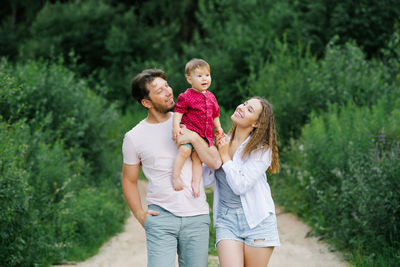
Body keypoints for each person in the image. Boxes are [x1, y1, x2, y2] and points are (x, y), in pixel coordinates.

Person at [121, 69, 221, 267]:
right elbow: (129, 180)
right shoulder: (134, 137)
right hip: (161, 218)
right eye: (159, 90)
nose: (168, 91)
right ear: (146, 102)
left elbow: (215, 162)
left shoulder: (191, 120)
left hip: (196, 217)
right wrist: (141, 215)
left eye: (167, 85)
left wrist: (193, 137)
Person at [204, 97, 281, 267]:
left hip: (257, 220)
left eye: (249, 110)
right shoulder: (222, 141)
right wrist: (206, 149)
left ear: (256, 124)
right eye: (244, 104)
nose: (242, 107)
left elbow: (240, 185)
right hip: (226, 219)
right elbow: (205, 180)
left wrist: (224, 156)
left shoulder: (261, 150)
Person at [172, 58, 223, 197]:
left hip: (204, 135)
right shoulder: (186, 96)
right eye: (199, 76)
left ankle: (196, 183)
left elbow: (215, 115)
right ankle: (176, 176)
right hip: (189, 130)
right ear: (190, 79)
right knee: (184, 151)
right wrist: (176, 127)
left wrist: (218, 128)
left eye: (207, 75)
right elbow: (178, 112)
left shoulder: (211, 97)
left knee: (198, 159)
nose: (204, 79)